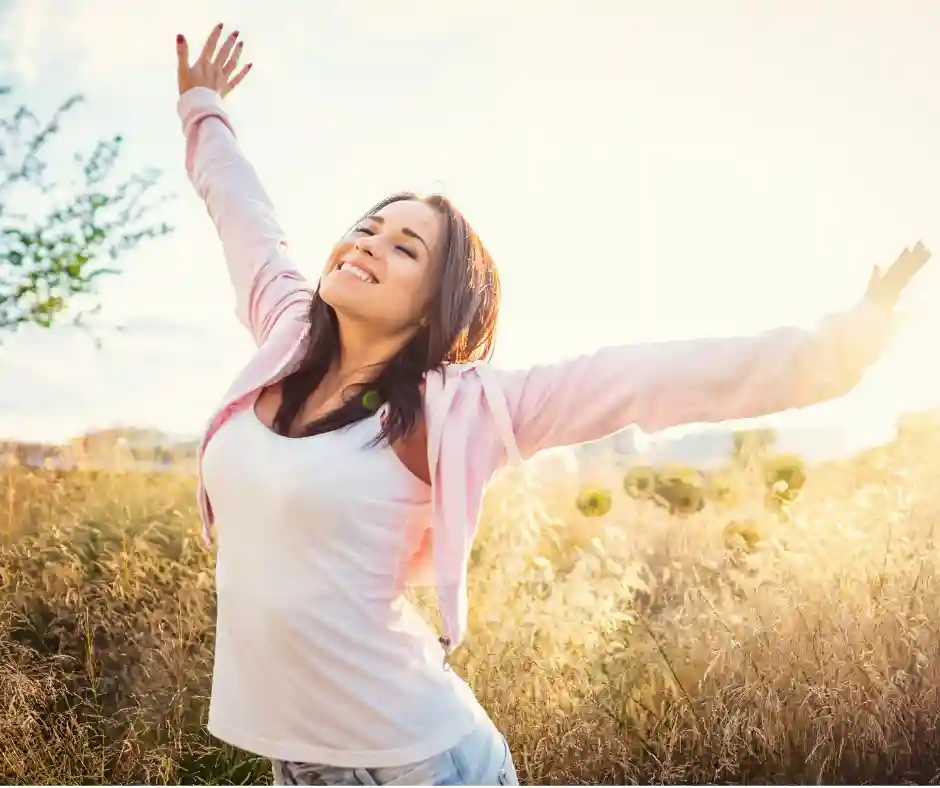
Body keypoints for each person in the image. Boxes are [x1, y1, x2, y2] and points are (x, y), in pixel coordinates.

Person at [174, 23, 930, 787]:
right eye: (366, 228)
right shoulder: (285, 337)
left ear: (435, 309)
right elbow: (246, 218)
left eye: (405, 247)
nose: (366, 243)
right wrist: (204, 107)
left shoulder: (452, 413)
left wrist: (837, 350)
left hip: (421, 765)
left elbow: (647, 376)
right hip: (297, 764)